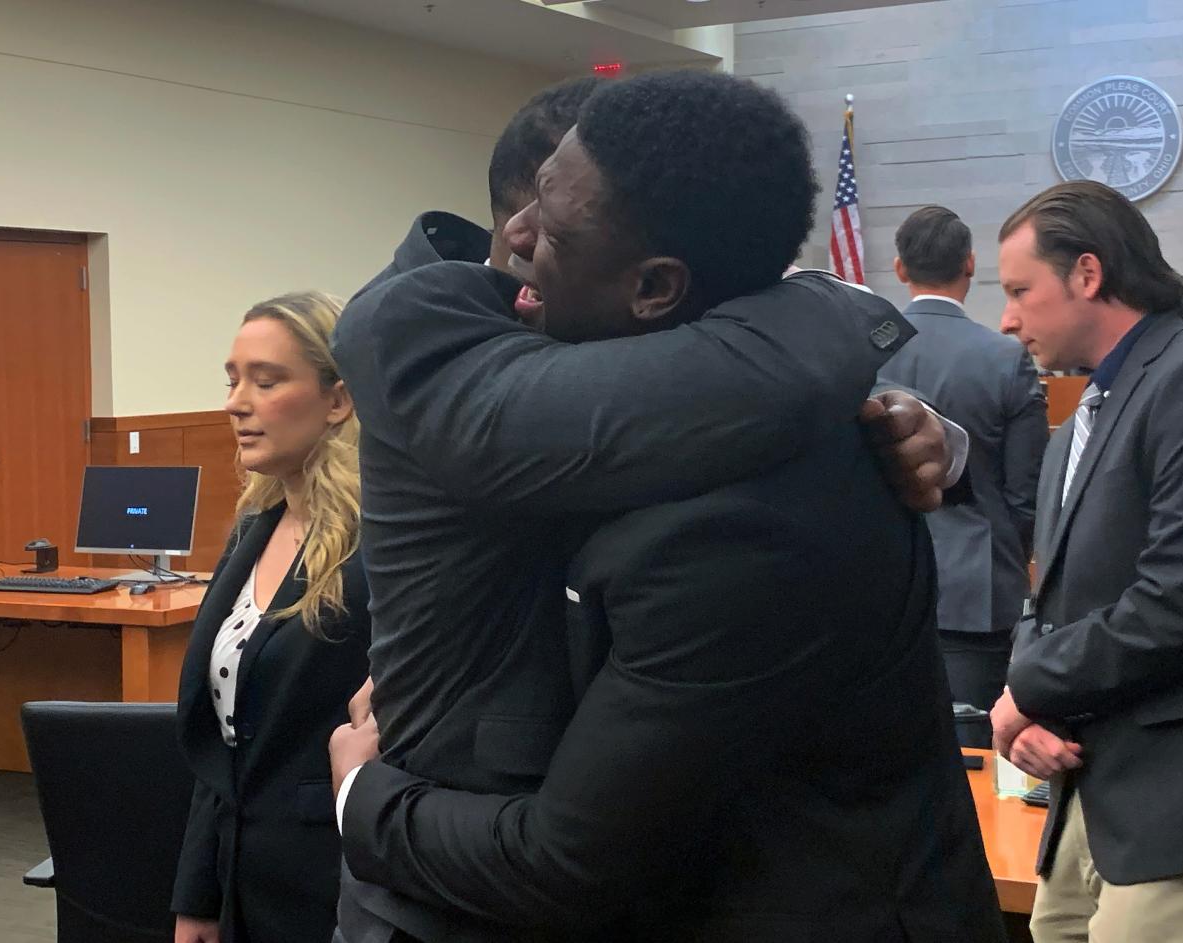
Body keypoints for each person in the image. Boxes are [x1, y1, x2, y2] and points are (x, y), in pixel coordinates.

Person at [331, 71, 1004, 943]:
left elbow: (566, 859)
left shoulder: (739, 516)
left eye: (557, 229)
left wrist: (359, 792)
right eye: (529, 200)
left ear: (654, 287)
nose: (516, 239)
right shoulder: (503, 352)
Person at [989, 180, 1183, 943]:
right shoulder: (1075, 424)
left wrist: (1028, 685)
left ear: (1087, 274)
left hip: (1178, 806)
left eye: (1021, 290)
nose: (1007, 318)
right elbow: (1044, 597)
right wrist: (1028, 711)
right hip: (1085, 793)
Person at [171, 292, 370, 943]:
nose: (235, 402)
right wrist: (197, 895)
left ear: (337, 399)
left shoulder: (382, 548)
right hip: (240, 888)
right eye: (232, 379)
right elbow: (225, 739)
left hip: (338, 890)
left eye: (266, 379)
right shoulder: (254, 530)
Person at [880, 205, 1048, 737]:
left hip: (876, 585)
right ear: (970, 264)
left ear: (900, 268)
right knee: (971, 759)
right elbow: (1027, 495)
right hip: (976, 595)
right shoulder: (1005, 357)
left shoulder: (864, 352)